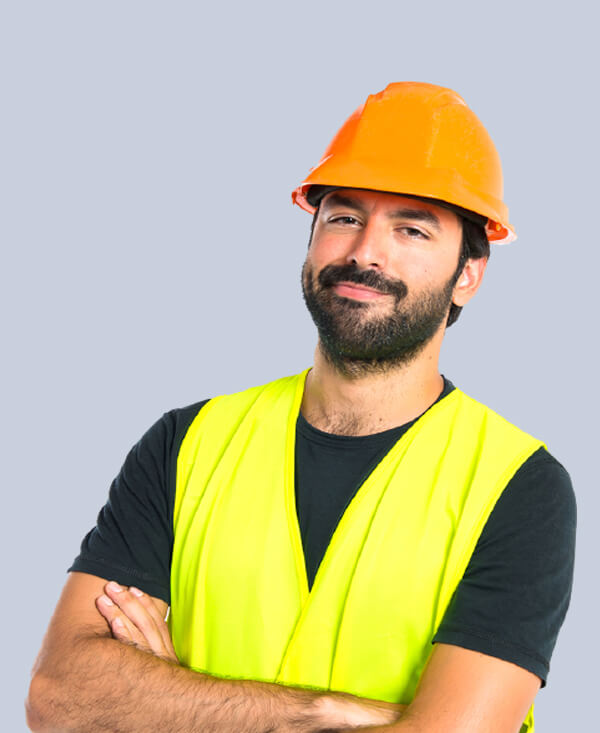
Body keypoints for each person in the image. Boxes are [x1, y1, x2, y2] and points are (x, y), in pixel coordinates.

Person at [26, 82, 575, 733]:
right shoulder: (185, 443)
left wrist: (173, 701)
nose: (365, 252)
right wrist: (322, 711)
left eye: (411, 229)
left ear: (468, 274)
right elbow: (60, 696)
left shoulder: (519, 486)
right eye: (344, 218)